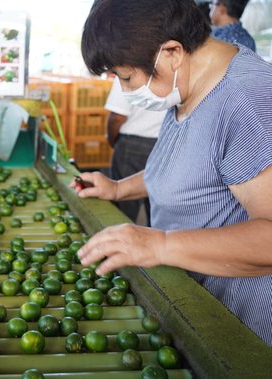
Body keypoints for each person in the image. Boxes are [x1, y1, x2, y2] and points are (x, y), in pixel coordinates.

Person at [75, 0, 272, 346]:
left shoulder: (247, 100)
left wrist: (161, 245)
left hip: (244, 326)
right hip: (196, 303)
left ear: (171, 52)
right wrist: (118, 189)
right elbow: (186, 170)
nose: (125, 90)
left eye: (125, 76)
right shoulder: (189, 87)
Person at [104, 76, 166, 225]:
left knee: (123, 209)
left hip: (132, 146)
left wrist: (113, 141)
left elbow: (117, 117)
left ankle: (120, 246)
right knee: (157, 206)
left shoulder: (127, 71)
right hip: (164, 143)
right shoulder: (170, 70)